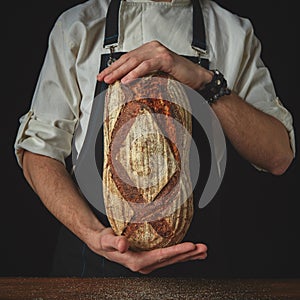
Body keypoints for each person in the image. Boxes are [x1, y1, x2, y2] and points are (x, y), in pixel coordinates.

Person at [14, 0, 295, 277]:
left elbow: (278, 156)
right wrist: (94, 235)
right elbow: (38, 152)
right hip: (93, 265)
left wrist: (205, 82)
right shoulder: (79, 26)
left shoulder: (231, 32)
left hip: (198, 269)